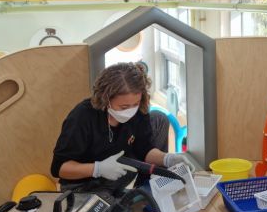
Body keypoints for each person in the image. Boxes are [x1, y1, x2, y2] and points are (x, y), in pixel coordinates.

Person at [50, 62, 191, 195]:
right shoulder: (83, 116)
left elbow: (144, 149)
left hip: (118, 172)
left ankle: (146, 188)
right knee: (112, 210)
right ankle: (127, 197)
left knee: (158, 118)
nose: (131, 111)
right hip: (84, 184)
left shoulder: (138, 109)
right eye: (124, 107)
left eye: (135, 104)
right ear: (106, 99)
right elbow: (59, 168)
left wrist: (167, 159)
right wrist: (97, 169)